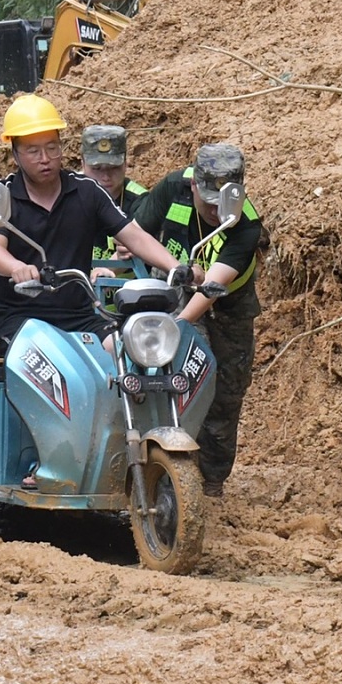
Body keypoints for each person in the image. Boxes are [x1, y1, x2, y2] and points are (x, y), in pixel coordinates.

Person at [0, 96, 181, 382]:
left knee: (129, 350)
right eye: (33, 151)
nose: (45, 158)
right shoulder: (1, 194)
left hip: (78, 315)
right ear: (15, 154)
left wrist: (176, 266)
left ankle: (130, 425)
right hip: (19, 318)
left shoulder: (88, 192)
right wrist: (16, 268)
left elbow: (133, 236)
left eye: (52, 147)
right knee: (57, 369)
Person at [130, 143, 266, 498]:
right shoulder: (173, 188)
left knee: (223, 396)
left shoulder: (246, 225)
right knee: (163, 382)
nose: (213, 210)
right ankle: (153, 468)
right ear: (193, 185)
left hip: (226, 311)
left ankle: (210, 485)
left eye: (221, 202)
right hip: (169, 296)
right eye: (206, 200)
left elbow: (211, 288)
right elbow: (135, 233)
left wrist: (175, 326)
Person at [80, 124, 147, 268]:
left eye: (113, 168)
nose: (105, 177)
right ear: (83, 164)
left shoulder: (140, 201)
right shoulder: (70, 195)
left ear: (125, 164)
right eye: (97, 169)